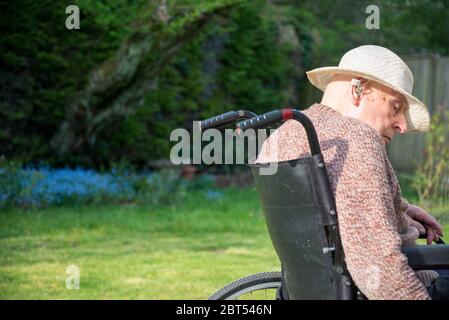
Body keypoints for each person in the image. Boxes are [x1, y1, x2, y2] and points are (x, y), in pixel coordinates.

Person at [256, 45, 446, 300]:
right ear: (358, 90)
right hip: (403, 286)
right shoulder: (357, 139)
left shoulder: (281, 136)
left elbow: (331, 203)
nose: (401, 125)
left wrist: (403, 210)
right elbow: (375, 261)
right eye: (396, 107)